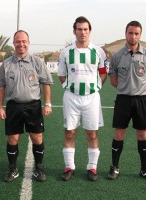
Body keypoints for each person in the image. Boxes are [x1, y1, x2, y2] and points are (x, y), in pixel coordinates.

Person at [0, 30, 53, 182]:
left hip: (33, 106)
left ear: (28, 42)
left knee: (37, 138)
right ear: (14, 43)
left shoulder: (37, 62)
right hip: (13, 106)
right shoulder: (6, 64)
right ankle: (13, 169)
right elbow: (0, 86)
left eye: (24, 41)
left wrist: (47, 103)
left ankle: (39, 168)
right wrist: (0, 107)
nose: (21, 44)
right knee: (13, 139)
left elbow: (46, 83)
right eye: (18, 41)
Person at [107, 21, 146, 182]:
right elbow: (113, 80)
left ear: (140, 35)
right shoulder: (116, 56)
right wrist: (127, 88)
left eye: (136, 33)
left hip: (142, 100)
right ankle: (115, 167)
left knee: (143, 135)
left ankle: (144, 170)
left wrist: (141, 90)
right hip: (123, 99)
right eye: (130, 33)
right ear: (126, 34)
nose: (133, 36)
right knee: (119, 133)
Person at [57, 16, 108, 181]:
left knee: (92, 134)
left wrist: (92, 88)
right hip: (71, 98)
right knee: (70, 133)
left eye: (85, 29)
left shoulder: (98, 52)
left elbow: (103, 74)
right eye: (79, 29)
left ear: (90, 31)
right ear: (74, 31)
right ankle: (69, 167)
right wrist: (72, 88)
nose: (82, 32)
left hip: (92, 98)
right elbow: (62, 76)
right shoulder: (66, 52)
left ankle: (92, 168)